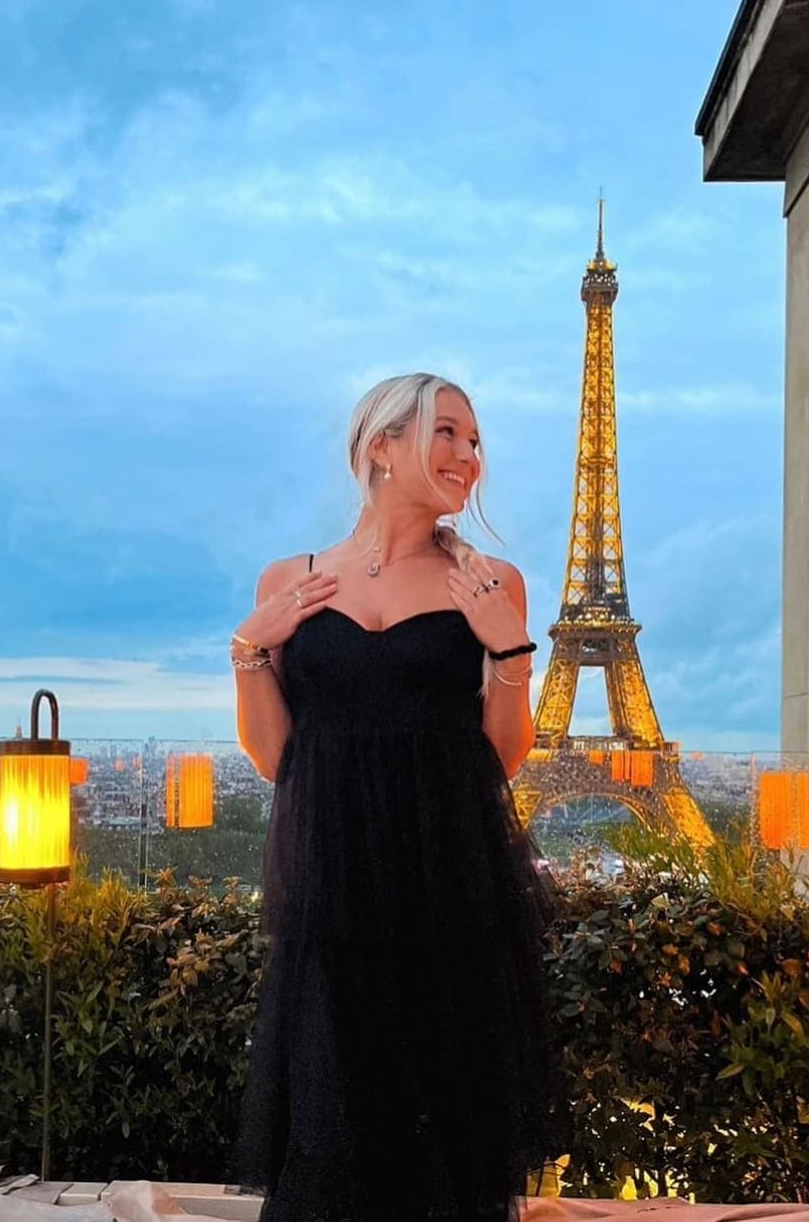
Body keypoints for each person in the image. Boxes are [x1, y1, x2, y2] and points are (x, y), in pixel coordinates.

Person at [229, 372, 569, 1222]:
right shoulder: (290, 581)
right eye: (448, 432)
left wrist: (509, 653)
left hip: (447, 881)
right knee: (329, 1119)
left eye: (476, 441)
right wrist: (250, 648)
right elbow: (278, 757)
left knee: (444, 1124)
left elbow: (503, 755)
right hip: (333, 884)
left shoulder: (493, 585)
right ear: (381, 445)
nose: (468, 456)